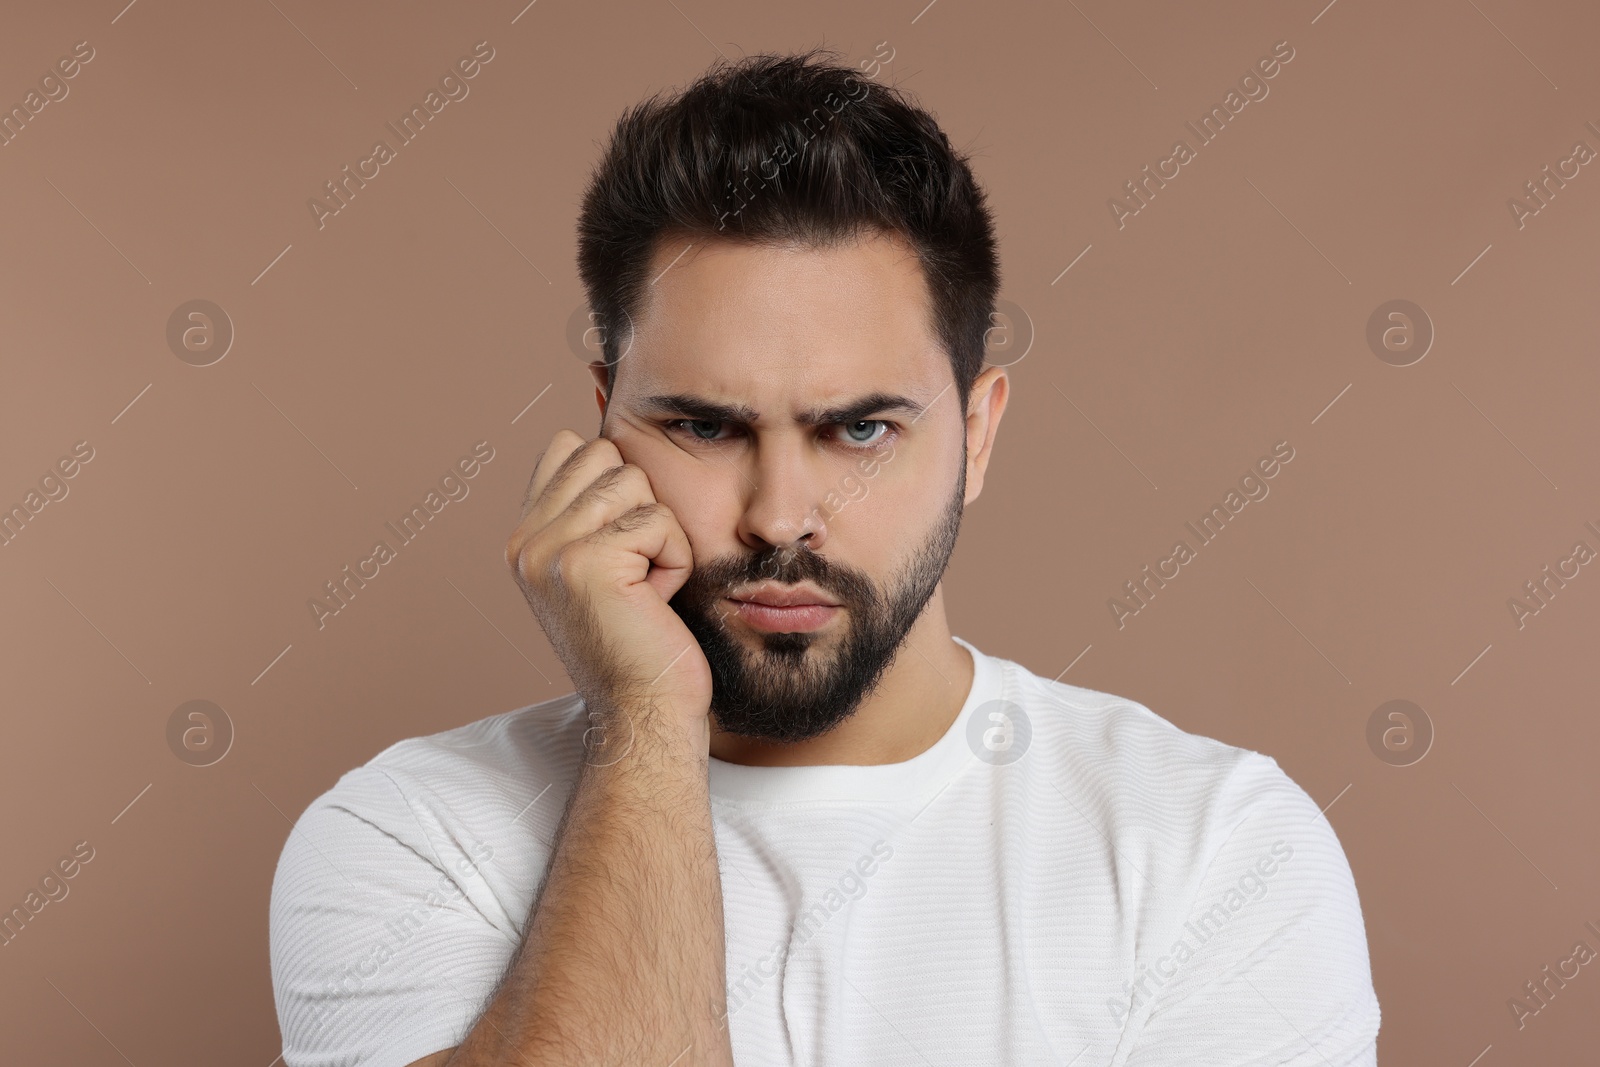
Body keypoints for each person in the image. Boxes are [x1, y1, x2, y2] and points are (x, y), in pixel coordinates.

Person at [269, 49, 1381, 1066]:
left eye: (859, 428)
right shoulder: (411, 836)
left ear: (977, 434)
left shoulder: (1214, 852)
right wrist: (648, 724)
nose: (780, 515)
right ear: (605, 423)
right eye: (706, 427)